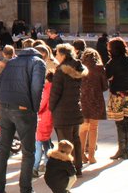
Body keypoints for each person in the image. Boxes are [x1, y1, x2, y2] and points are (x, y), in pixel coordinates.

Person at [0, 43, 46, 193]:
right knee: (28, 152)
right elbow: (37, 87)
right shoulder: (38, 62)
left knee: (3, 149)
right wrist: (33, 108)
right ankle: (25, 189)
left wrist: (3, 102)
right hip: (24, 109)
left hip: (5, 108)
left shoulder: (11, 62)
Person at [49, 43, 87, 177]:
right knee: (75, 140)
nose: (56, 57)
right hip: (75, 108)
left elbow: (55, 93)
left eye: (58, 54)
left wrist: (51, 108)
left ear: (64, 55)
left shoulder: (61, 71)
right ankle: (78, 168)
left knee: (64, 142)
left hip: (62, 111)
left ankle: (68, 169)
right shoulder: (77, 68)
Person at [105, 37, 128, 160]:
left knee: (119, 122)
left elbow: (107, 76)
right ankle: (126, 150)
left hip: (117, 93)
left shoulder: (113, 62)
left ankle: (121, 150)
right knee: (126, 120)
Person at [78, 48, 107, 165]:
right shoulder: (99, 68)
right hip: (96, 100)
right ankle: (91, 155)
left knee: (83, 128)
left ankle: (80, 154)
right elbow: (105, 86)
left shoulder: (79, 67)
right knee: (93, 128)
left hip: (82, 100)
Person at [33, 71, 54, 178]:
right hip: (49, 119)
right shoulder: (54, 88)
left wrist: (34, 109)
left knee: (37, 144)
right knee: (46, 142)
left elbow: (41, 104)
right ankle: (47, 164)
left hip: (42, 118)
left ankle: (34, 168)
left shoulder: (47, 88)